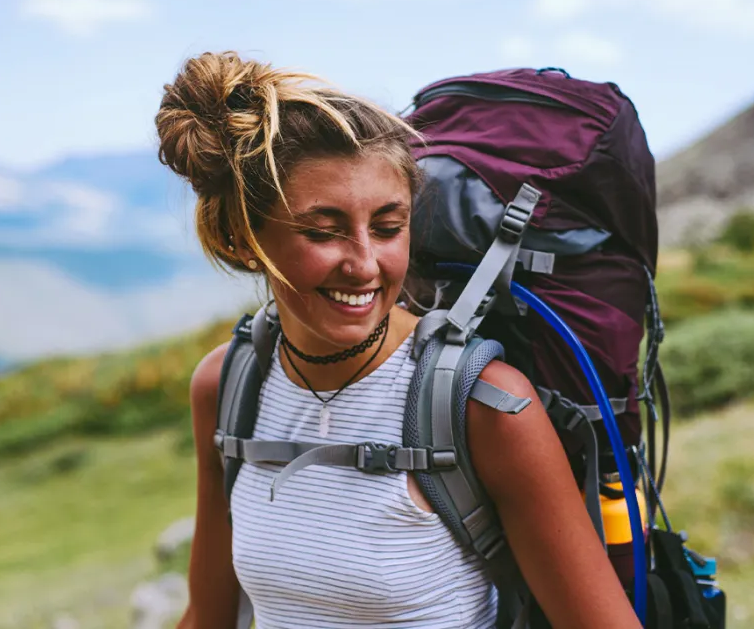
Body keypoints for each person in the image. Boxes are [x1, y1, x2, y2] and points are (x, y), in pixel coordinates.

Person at [155, 50, 641, 629]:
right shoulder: (230, 384)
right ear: (241, 238)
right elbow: (207, 618)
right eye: (323, 232)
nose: (365, 264)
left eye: (389, 228)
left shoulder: (485, 406)